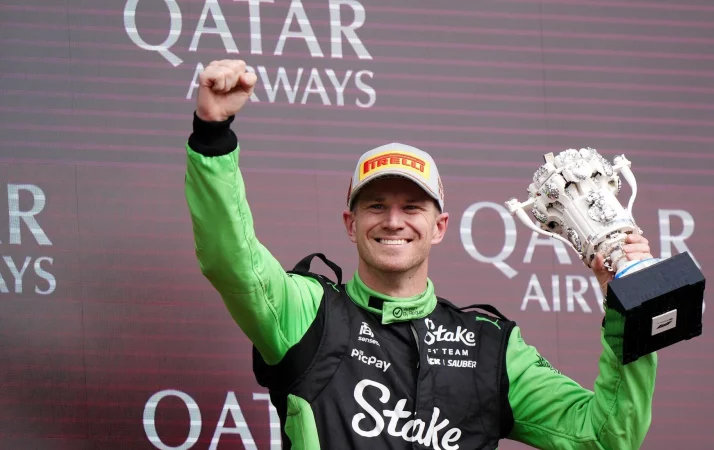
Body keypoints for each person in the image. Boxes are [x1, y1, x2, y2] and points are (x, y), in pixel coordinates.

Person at [184, 60, 657, 450]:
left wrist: (631, 303)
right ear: (351, 225)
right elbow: (233, 262)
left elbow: (605, 437)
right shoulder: (307, 311)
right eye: (376, 206)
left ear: (439, 227)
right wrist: (213, 139)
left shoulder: (491, 346)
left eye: (412, 207)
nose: (394, 221)